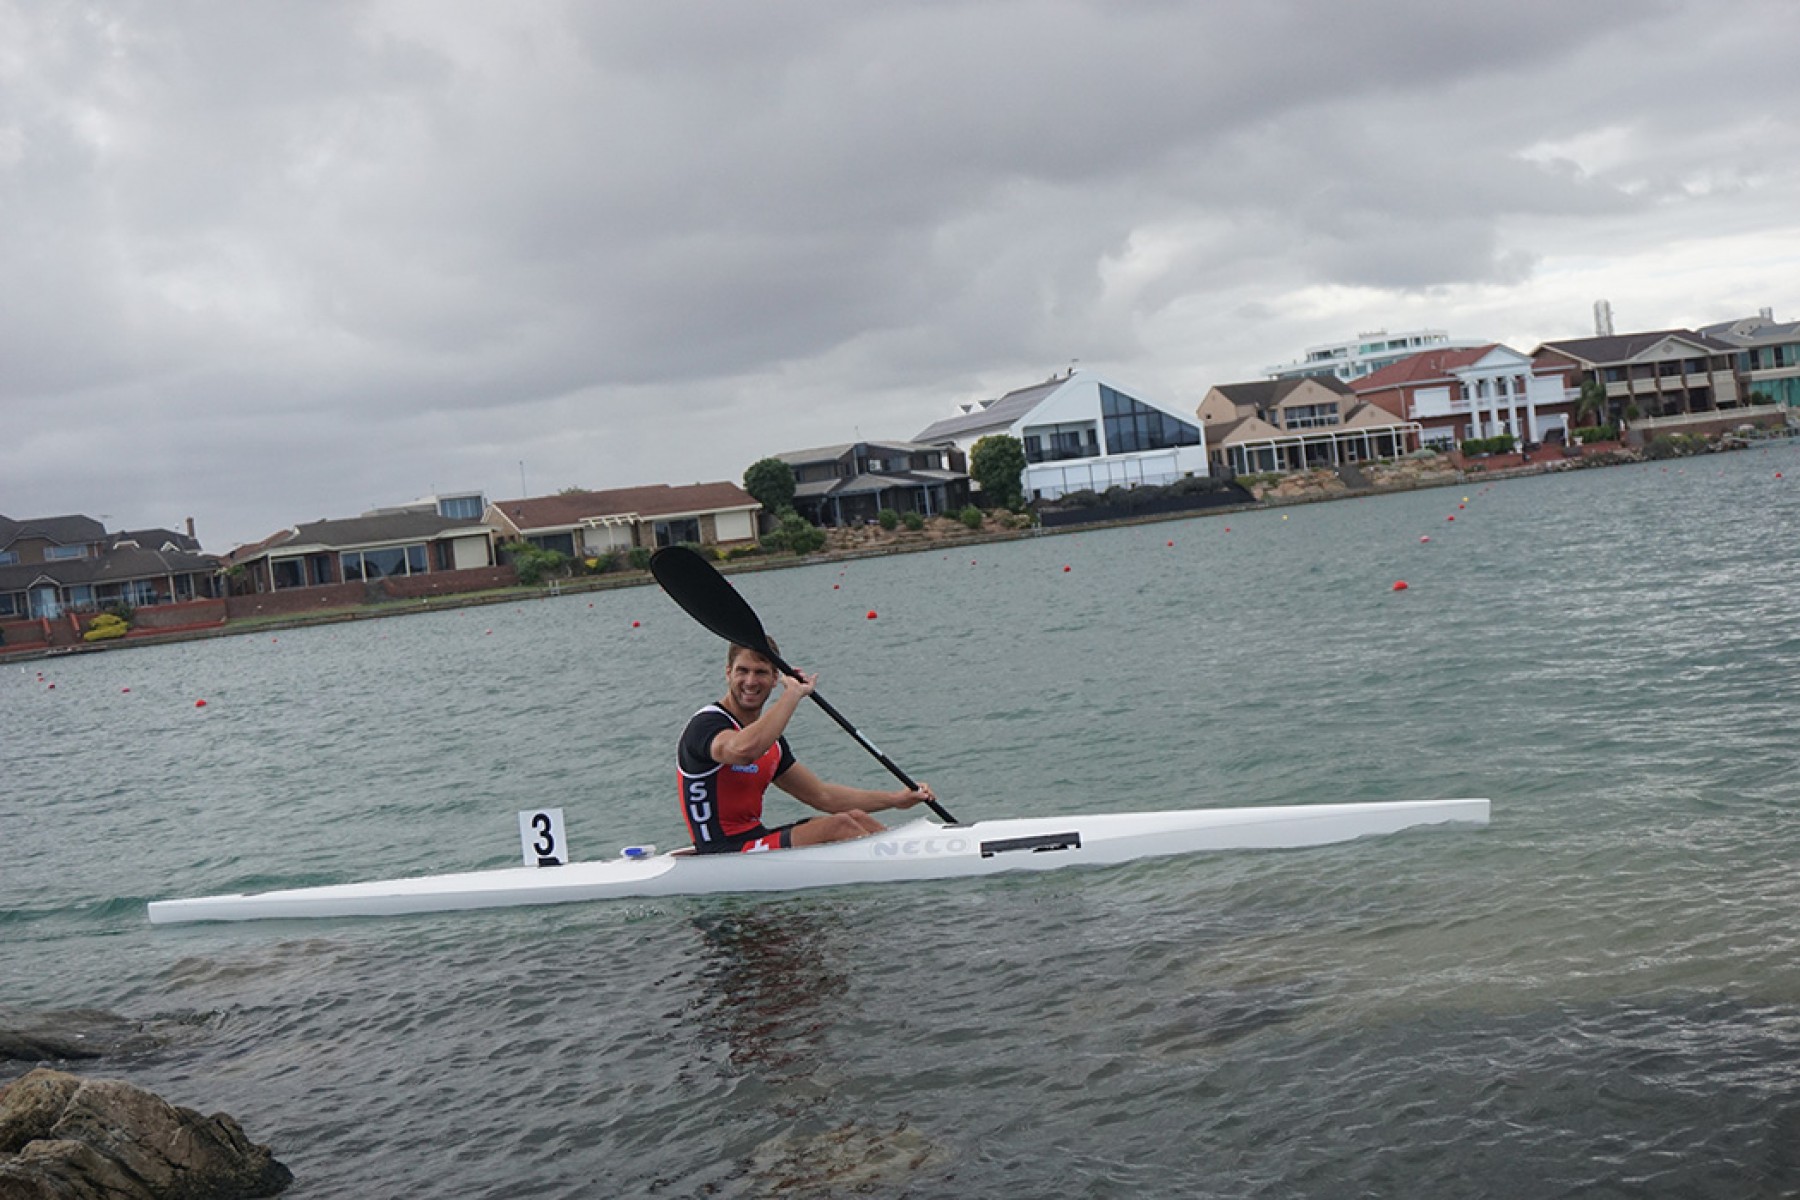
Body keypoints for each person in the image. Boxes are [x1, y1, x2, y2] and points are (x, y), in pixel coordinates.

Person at [678, 641, 935, 853]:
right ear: (728, 673)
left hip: (752, 839)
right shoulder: (706, 725)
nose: (750, 681)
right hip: (720, 850)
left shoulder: (772, 742)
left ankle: (913, 865)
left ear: (775, 678)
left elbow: (823, 796)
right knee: (839, 826)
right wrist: (793, 694)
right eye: (742, 671)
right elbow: (742, 751)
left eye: (761, 672)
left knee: (856, 818)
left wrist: (896, 799)